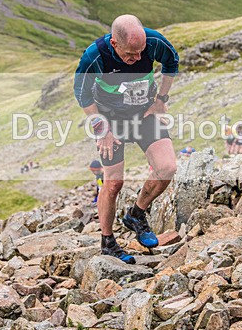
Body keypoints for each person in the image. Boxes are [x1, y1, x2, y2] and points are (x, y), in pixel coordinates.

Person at [74, 14, 179, 264]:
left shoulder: (154, 42)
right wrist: (102, 130)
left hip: (144, 113)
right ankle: (108, 242)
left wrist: (161, 100)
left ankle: (136, 214)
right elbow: (82, 94)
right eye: (130, 54)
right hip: (110, 120)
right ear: (114, 43)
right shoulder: (95, 56)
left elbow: (171, 62)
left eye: (141, 52)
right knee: (113, 183)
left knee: (167, 167)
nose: (137, 59)